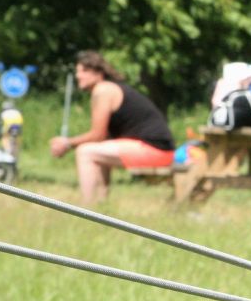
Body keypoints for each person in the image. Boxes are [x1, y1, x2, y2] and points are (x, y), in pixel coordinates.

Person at [48, 51, 174, 203]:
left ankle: (86, 209)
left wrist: (67, 143)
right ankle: (101, 206)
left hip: (157, 150)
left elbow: (97, 135)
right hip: (159, 149)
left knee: (85, 152)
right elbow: (102, 138)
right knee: (97, 150)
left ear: (99, 73)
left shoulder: (103, 90)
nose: (78, 75)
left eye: (84, 71)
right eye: (77, 71)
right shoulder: (109, 88)